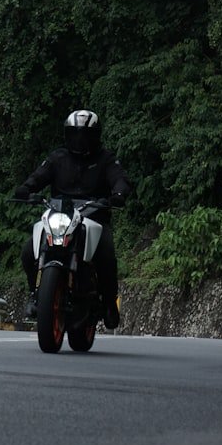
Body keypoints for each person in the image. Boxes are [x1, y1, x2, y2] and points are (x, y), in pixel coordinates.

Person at [13, 109, 131, 329]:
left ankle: (108, 302)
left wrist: (118, 195)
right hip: (60, 214)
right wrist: (26, 188)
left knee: (106, 253)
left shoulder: (106, 159)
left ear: (96, 136)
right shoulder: (57, 157)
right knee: (29, 251)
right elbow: (39, 176)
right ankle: (34, 294)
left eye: (85, 135)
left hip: (93, 216)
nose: (80, 139)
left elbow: (119, 179)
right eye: (75, 134)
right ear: (67, 135)